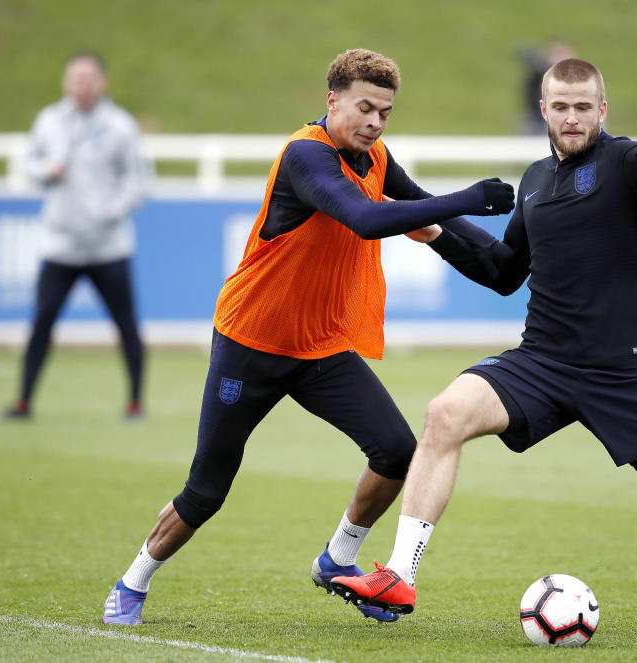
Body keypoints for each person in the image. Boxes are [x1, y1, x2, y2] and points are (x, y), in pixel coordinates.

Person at [332, 58, 637, 634]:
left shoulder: (627, 161)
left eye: (584, 107)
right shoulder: (534, 180)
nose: (573, 117)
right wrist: (436, 233)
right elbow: (505, 271)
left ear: (602, 111)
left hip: (624, 376)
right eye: (561, 107)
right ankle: (399, 575)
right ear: (544, 111)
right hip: (543, 363)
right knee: (445, 413)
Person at [100, 48, 514, 625]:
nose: (374, 123)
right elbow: (367, 219)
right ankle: (132, 581)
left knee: (396, 450)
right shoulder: (305, 156)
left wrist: (500, 256)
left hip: (319, 348)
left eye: (385, 114)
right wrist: (472, 197)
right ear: (332, 100)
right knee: (207, 490)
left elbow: (419, 206)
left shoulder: (375, 157)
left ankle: (338, 558)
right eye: (365, 108)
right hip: (251, 342)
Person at [4, 52, 151, 420]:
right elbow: (29, 165)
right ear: (66, 82)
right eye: (75, 78)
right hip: (61, 246)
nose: (81, 86)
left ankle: (134, 403)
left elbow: (138, 180)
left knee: (127, 325)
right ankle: (23, 402)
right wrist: (44, 171)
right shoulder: (49, 121)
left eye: (88, 79)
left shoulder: (119, 126)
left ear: (101, 83)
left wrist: (109, 213)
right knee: (41, 324)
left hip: (108, 246)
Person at [516, 40, 575, 134]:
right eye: (554, 54)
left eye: (560, 54)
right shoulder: (538, 78)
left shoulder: (584, 82)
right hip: (539, 126)